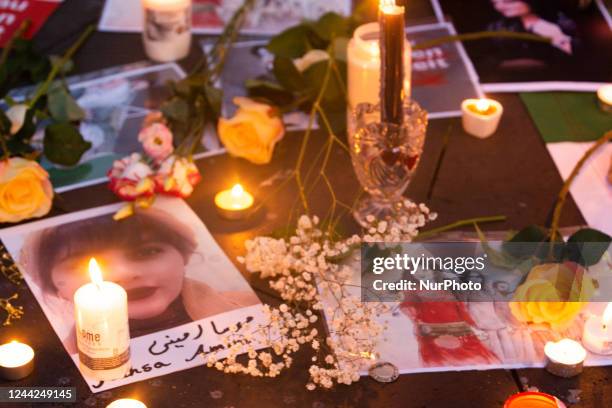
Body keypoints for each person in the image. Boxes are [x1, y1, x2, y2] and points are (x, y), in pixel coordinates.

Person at [20, 208, 259, 353]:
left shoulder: (251, 310)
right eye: (84, 265)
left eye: (146, 252)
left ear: (182, 257)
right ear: (55, 287)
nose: (124, 273)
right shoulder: (60, 363)